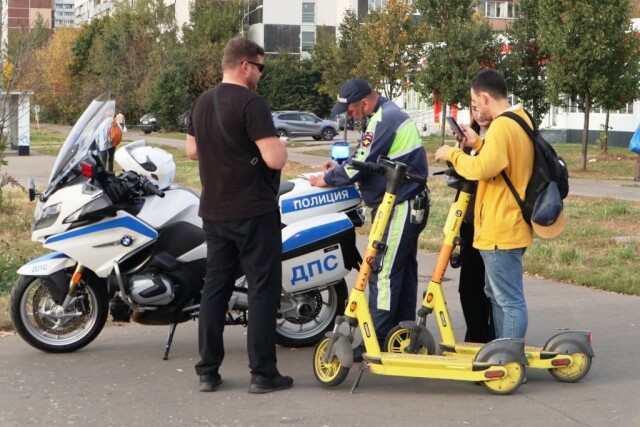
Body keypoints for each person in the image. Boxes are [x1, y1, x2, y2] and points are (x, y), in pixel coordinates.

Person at [185, 37, 291, 394]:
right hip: (252, 211)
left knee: (215, 288)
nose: (261, 74)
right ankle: (263, 373)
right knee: (262, 290)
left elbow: (191, 151)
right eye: (260, 67)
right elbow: (274, 160)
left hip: (214, 211)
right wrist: (281, 145)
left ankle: (207, 371)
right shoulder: (251, 103)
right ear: (245, 65)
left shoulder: (202, 102)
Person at [310, 79, 429, 354]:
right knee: (402, 271)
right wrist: (341, 164)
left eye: (349, 111)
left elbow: (357, 170)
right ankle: (402, 333)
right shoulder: (384, 115)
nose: (348, 116)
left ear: (363, 103)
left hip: (402, 204)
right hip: (406, 203)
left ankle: (377, 339)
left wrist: (326, 178)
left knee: (383, 272)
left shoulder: (384, 119)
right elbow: (370, 159)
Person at [435, 69, 534, 340]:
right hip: (507, 224)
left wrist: (453, 153)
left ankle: (508, 358)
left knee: (508, 301)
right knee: (498, 296)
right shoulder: (520, 118)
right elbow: (500, 161)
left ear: (484, 97)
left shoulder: (502, 125)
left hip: (501, 227)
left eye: (475, 104)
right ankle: (502, 351)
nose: (476, 109)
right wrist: (476, 142)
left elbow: (482, 168)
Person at [449, 102, 495, 344]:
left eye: (480, 106)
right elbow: (464, 181)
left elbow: (484, 170)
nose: (477, 113)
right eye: (472, 107)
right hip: (470, 222)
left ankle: (495, 343)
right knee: (468, 288)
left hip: (494, 222)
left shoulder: (500, 134)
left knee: (493, 290)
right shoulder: (469, 140)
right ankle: (476, 339)